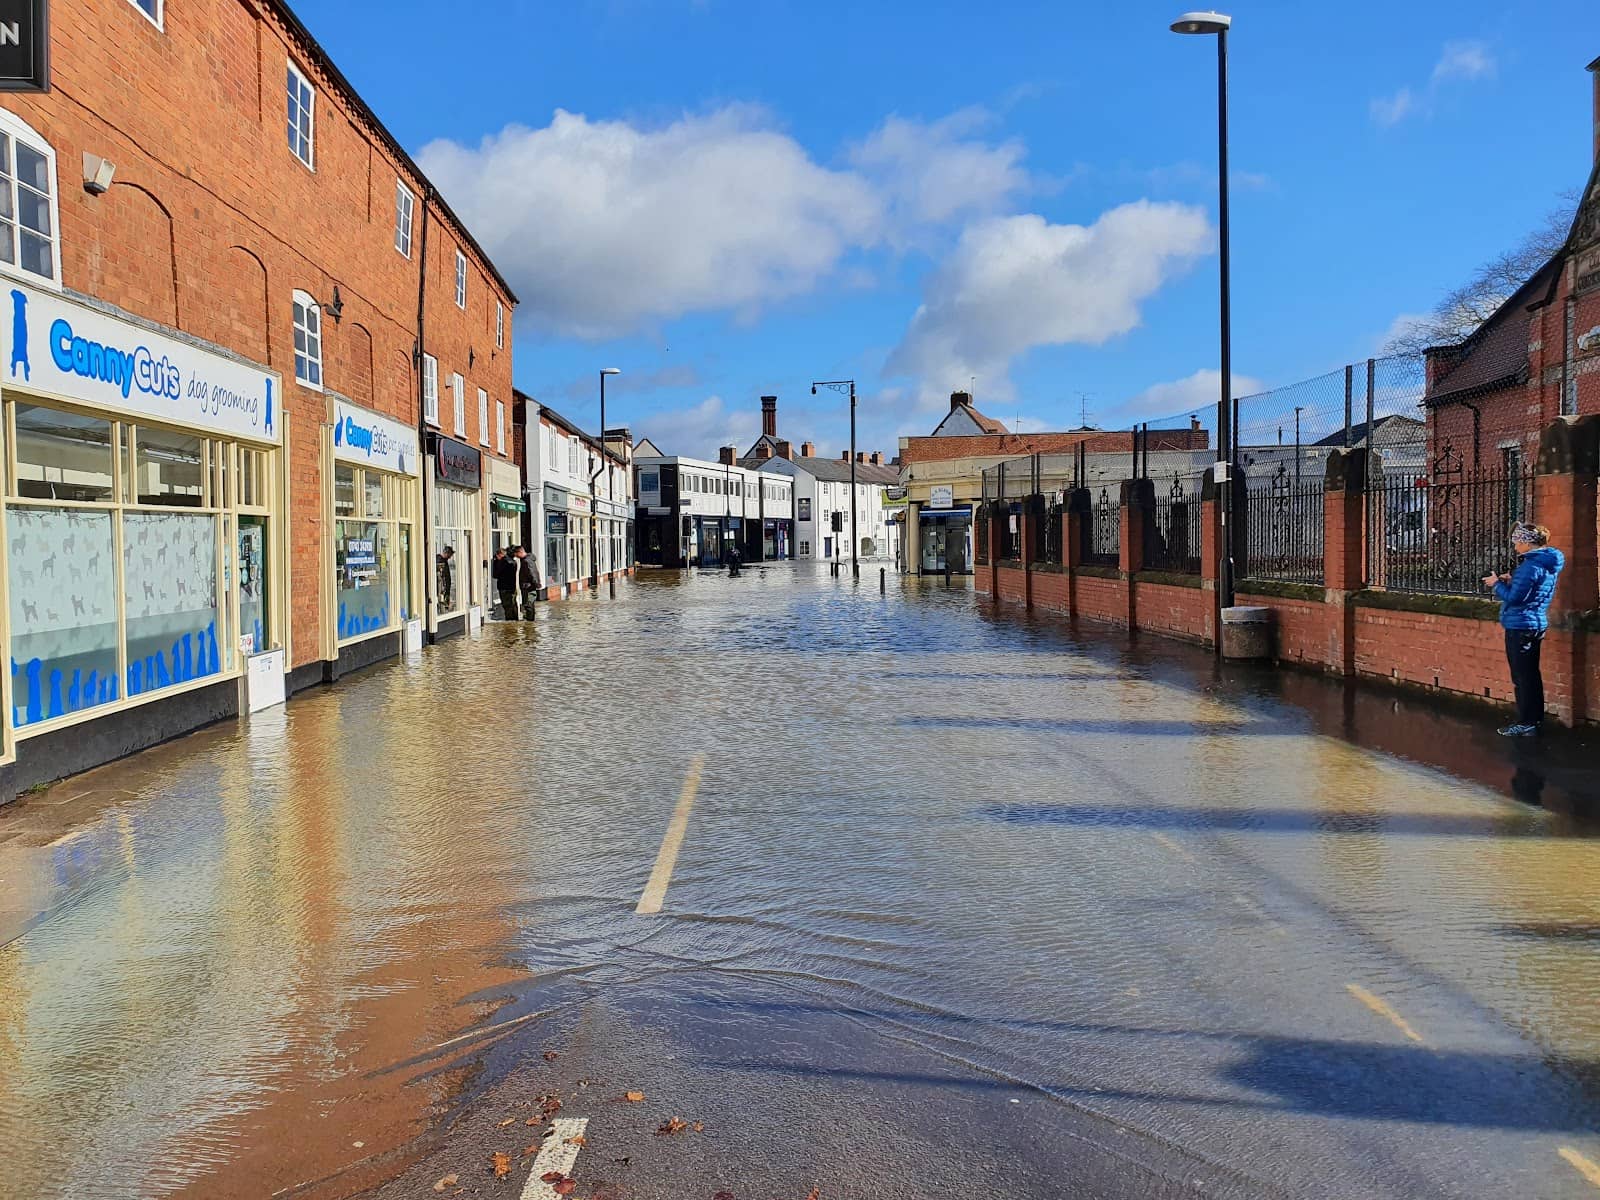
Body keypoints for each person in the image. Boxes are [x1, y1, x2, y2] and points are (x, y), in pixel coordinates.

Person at [1482, 522, 1564, 737]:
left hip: (1520, 626)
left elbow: (1515, 598)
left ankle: (1527, 723)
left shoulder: (1530, 566)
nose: (1515, 547)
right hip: (1534, 623)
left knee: (1522, 677)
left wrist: (1496, 584)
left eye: (1517, 543)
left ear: (1527, 543)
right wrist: (1513, 579)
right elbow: (1532, 591)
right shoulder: (1546, 563)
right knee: (1531, 676)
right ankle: (1534, 720)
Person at [491, 546, 517, 620]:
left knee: (507, 606)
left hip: (504, 587)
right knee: (513, 604)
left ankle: (509, 622)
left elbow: (495, 575)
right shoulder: (513, 561)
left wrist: (496, 562)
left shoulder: (503, 562)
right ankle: (515, 620)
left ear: (500, 555)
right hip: (512, 586)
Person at [517, 546, 541, 618]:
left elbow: (532, 572)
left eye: (516, 554)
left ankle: (530, 624)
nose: (516, 557)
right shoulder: (527, 560)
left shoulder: (526, 561)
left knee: (528, 605)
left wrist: (536, 583)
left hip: (528, 586)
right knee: (529, 604)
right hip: (528, 586)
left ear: (520, 552)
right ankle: (530, 624)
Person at [435, 545, 455, 611]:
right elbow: (441, 576)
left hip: (445, 589)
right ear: (446, 553)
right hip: (442, 588)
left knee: (445, 603)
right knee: (442, 603)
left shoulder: (444, 561)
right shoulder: (440, 560)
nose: (450, 557)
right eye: (450, 555)